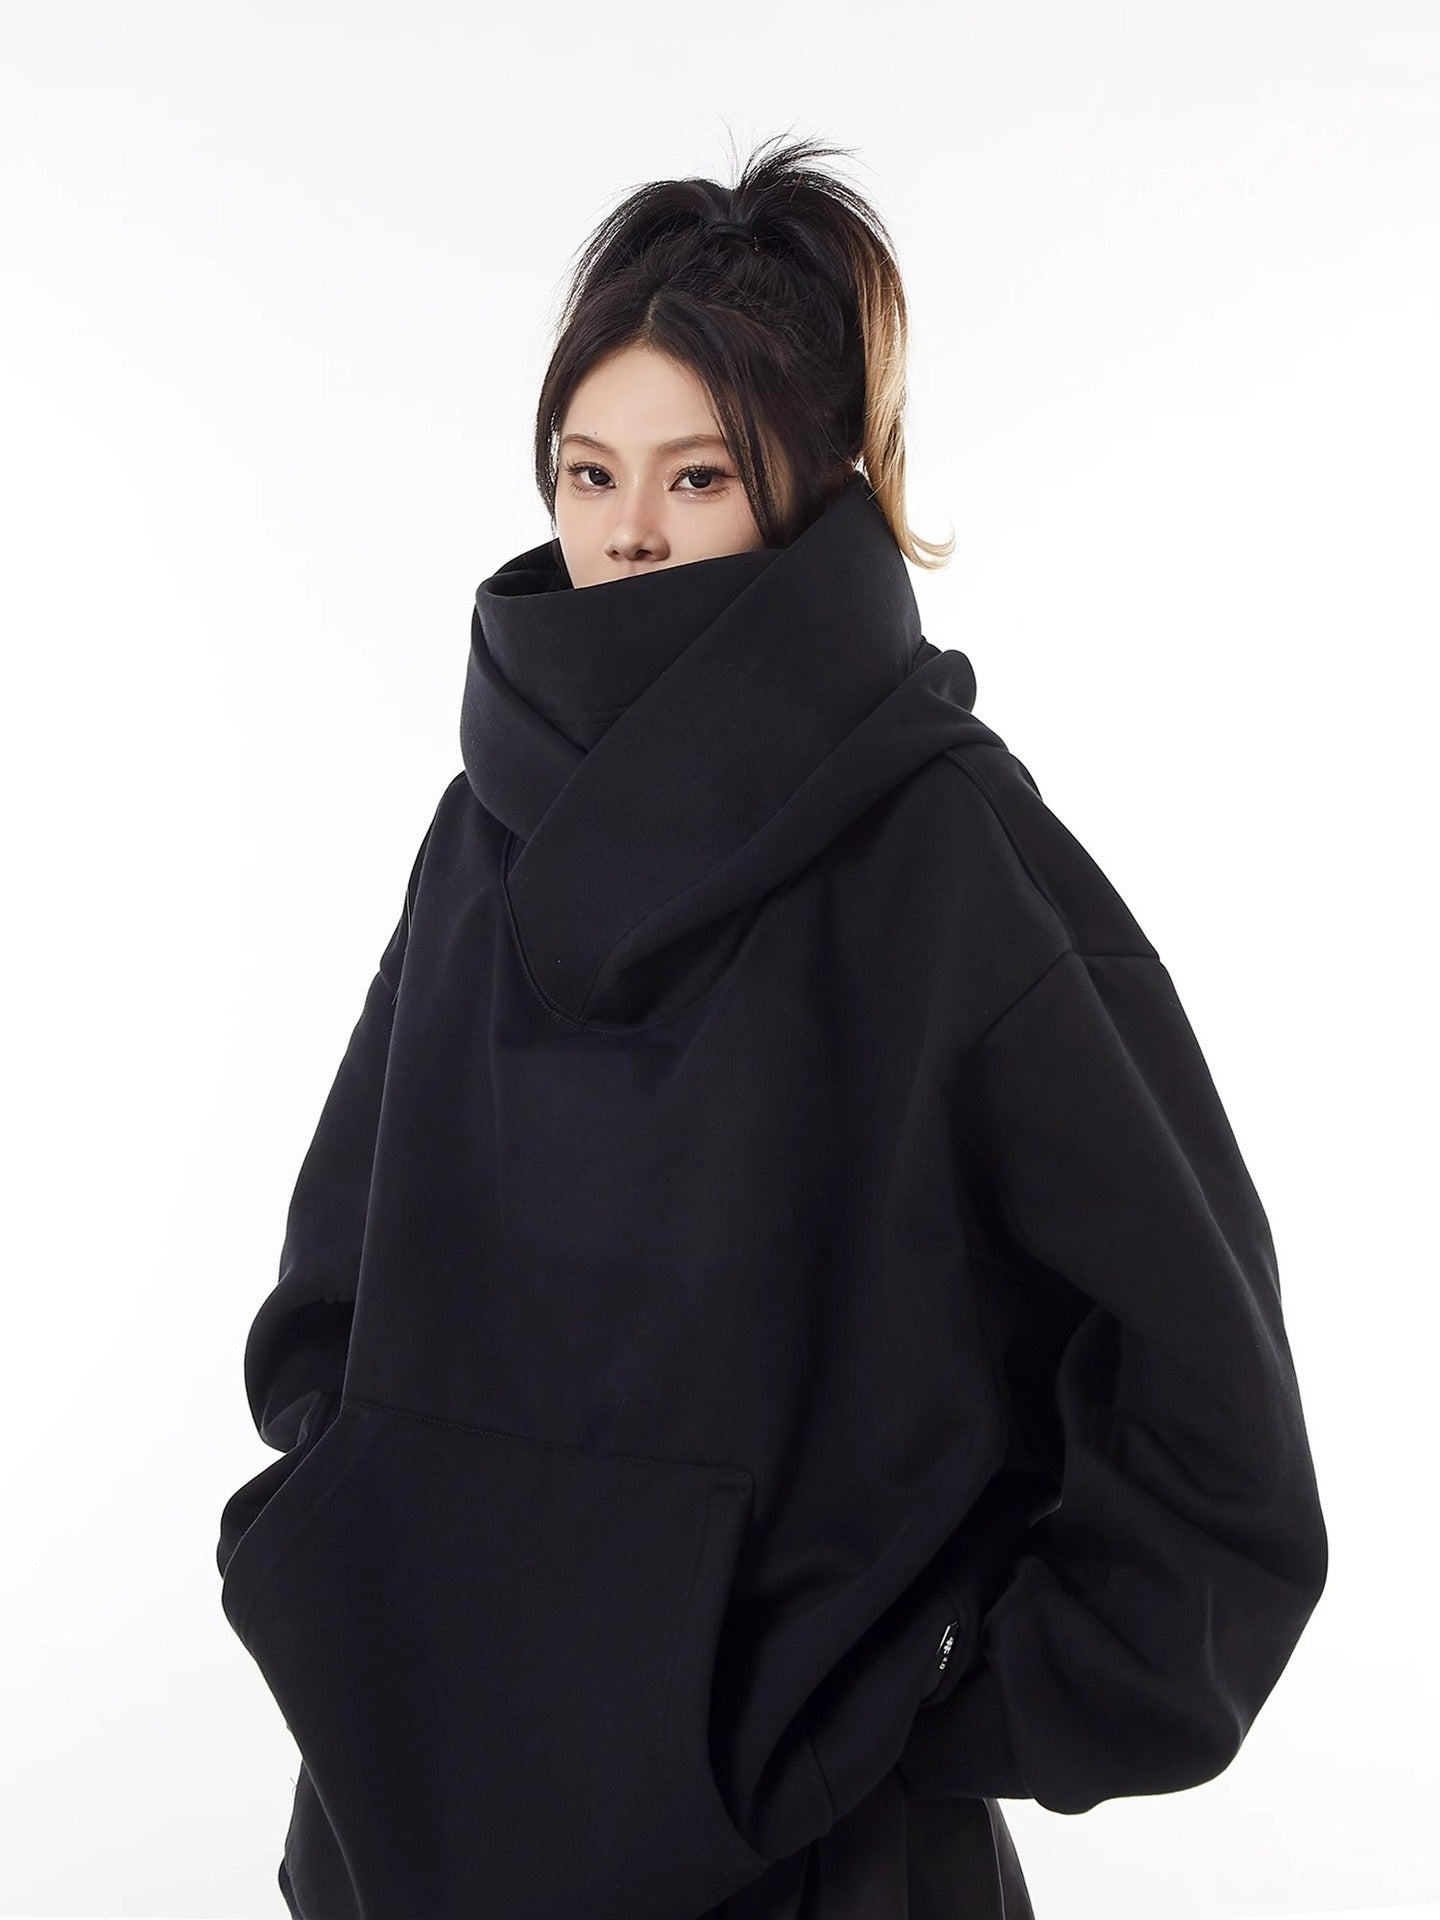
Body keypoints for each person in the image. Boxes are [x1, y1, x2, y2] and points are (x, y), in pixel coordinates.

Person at [216, 132, 1329, 1920]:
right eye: (588, 472)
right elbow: (327, 1304)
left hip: (815, 1872)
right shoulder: (478, 839)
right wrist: (379, 1559)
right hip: (410, 1839)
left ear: (810, 496)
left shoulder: (947, 856)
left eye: (699, 475)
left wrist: (908, 1707)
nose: (626, 532)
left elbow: (1213, 1433)